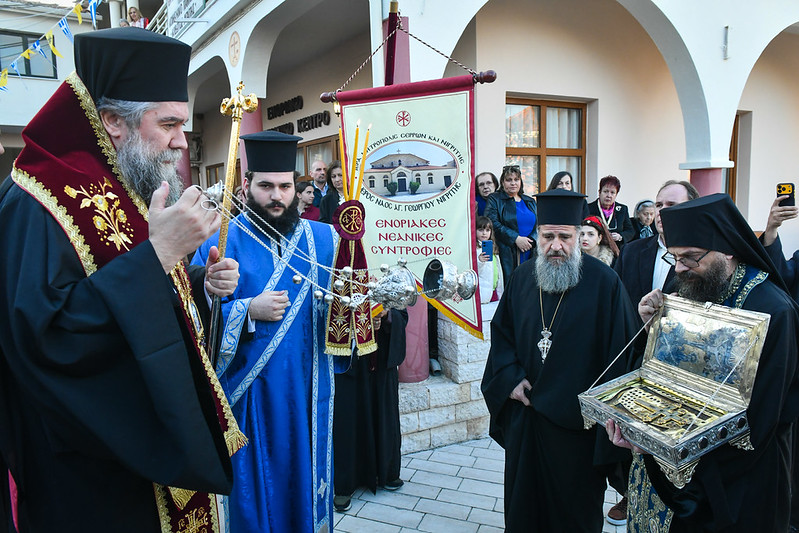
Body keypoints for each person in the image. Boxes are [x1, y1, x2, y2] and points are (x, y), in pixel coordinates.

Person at [0, 28, 243, 532]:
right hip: (93, 473)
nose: (182, 141)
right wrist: (160, 255)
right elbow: (47, 336)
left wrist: (196, 280)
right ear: (112, 121)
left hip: (141, 457)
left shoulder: (119, 180)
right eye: (170, 123)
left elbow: (124, 279)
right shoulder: (36, 201)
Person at [608, 193, 799, 533]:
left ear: (727, 249)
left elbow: (760, 423)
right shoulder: (694, 284)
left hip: (734, 490)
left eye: (691, 258)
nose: (679, 269)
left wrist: (662, 446)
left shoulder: (773, 310)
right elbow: (660, 374)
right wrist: (651, 328)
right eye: (675, 258)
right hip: (663, 472)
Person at [192, 130, 338, 533]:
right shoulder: (220, 241)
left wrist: (363, 312)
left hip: (305, 391)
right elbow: (196, 327)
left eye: (286, 186)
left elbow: (340, 307)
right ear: (246, 185)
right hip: (248, 399)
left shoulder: (323, 240)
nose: (278, 196)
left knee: (301, 489)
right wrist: (246, 310)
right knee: (255, 498)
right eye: (266, 186)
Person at [481, 189, 640, 532]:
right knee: (524, 513)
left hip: (579, 434)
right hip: (528, 424)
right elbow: (502, 335)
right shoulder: (523, 279)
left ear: (579, 237)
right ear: (537, 236)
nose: (555, 245)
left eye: (565, 237)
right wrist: (508, 378)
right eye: (547, 236)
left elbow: (624, 357)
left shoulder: (605, 283)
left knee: (575, 517)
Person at [332, 307, 408, 512]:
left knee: (384, 413)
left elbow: (403, 313)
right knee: (347, 418)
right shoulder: (332, 274)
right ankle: (344, 484)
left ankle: (387, 472)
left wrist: (387, 315)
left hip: (381, 356)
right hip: (348, 356)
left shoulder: (390, 273)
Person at [614, 180, 699, 312]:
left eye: (671, 205)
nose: (662, 211)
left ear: (691, 210)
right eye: (659, 205)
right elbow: (615, 301)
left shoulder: (702, 259)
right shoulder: (630, 252)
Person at [484, 165, 537, 286]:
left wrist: (531, 241)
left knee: (529, 287)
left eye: (516, 179)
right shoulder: (495, 199)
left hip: (530, 250)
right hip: (506, 251)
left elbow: (539, 225)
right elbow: (491, 222)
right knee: (511, 287)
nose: (513, 183)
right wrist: (515, 238)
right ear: (502, 182)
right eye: (509, 180)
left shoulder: (530, 201)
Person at [588, 175, 635, 248]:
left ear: (616, 194)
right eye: (605, 191)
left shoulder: (622, 209)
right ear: (599, 192)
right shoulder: (589, 208)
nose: (609, 195)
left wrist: (620, 236)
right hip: (595, 249)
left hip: (616, 250)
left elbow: (630, 231)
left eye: (612, 192)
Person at [476, 215, 504, 307]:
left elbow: (498, 270)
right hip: (482, 291)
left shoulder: (492, 248)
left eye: (487, 230)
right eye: (481, 230)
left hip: (494, 290)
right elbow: (474, 271)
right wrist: (479, 261)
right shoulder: (475, 250)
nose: (484, 233)